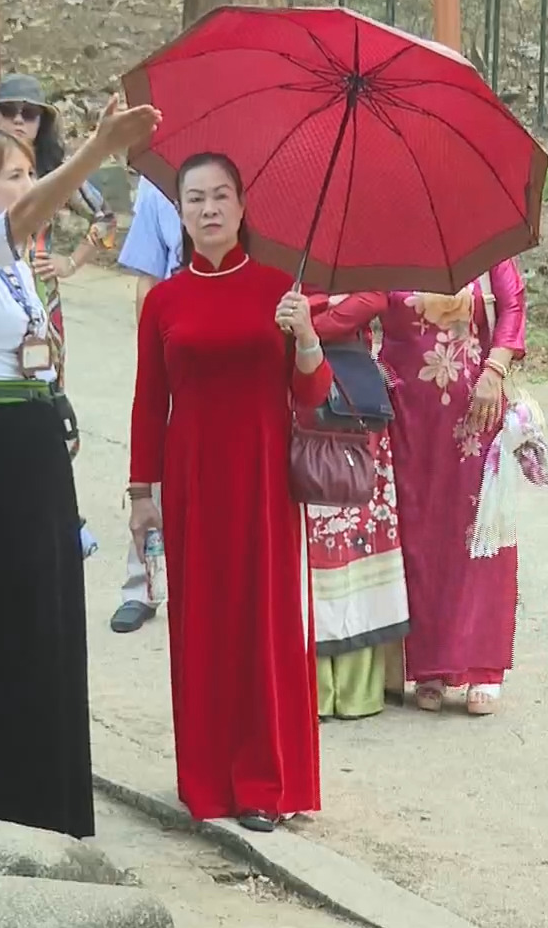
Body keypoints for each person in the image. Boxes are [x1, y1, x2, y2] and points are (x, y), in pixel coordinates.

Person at [0, 98, 161, 839]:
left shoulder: (19, 268)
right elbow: (21, 224)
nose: (30, 186)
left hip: (36, 437)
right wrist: (95, 152)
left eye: (33, 171)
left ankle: (54, 802)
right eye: (15, 175)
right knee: (4, 615)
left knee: (52, 612)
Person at [127, 152, 333, 833]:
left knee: (264, 623)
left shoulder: (279, 290)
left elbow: (313, 393)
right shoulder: (163, 300)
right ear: (179, 213)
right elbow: (146, 402)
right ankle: (207, 779)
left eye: (221, 196)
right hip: (191, 481)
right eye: (195, 199)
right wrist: (140, 492)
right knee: (203, 624)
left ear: (243, 208)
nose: (209, 209)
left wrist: (305, 335)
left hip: (265, 477)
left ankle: (264, 784)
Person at [379, 258, 527, 715]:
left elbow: (513, 304)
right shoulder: (380, 241)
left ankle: (482, 667)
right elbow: (360, 310)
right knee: (419, 531)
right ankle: (429, 666)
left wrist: (495, 370)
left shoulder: (484, 242)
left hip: (474, 410)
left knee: (477, 533)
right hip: (406, 410)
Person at [303, 290, 408, 721]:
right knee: (305, 541)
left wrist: (304, 321)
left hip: (353, 404)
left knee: (357, 535)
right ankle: (307, 687)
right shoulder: (274, 239)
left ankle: (355, 687)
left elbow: (372, 298)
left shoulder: (358, 234)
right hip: (294, 395)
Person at [0, 74, 116, 380]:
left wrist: (70, 263)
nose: (18, 120)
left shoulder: (56, 174)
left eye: (29, 113)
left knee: (44, 385)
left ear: (41, 122)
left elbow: (107, 220)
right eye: (9, 111)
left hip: (41, 295)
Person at [110, 174, 185, 635]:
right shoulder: (159, 182)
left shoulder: (257, 169)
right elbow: (148, 277)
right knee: (154, 456)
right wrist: (151, 349)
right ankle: (143, 584)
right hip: (177, 329)